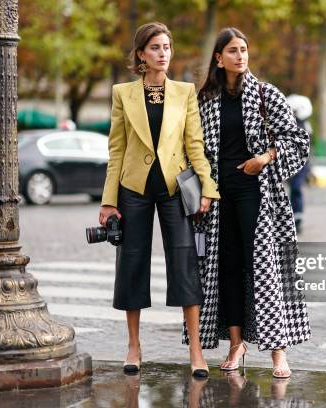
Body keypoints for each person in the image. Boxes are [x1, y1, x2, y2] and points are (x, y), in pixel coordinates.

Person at [98, 22, 220, 378]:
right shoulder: (123, 93)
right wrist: (108, 201)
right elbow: (116, 149)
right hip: (132, 188)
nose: (163, 53)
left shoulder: (185, 92)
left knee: (184, 263)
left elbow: (194, 145)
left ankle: (196, 351)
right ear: (141, 54)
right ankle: (134, 346)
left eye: (167, 47)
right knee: (131, 263)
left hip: (173, 188)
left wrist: (208, 188)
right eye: (155, 47)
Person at [189, 27, 311, 379]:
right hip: (217, 196)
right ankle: (236, 344)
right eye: (232, 50)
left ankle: (278, 354)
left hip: (257, 194)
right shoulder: (206, 99)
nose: (240, 56)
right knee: (226, 268)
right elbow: (193, 147)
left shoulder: (265, 94)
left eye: (243, 49)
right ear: (218, 57)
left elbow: (297, 141)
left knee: (264, 268)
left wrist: (266, 157)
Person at [286, 94, 313, 234]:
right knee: (290, 190)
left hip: (301, 164)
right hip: (289, 163)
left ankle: (297, 217)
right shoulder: (290, 123)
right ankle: (291, 217)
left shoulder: (305, 125)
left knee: (296, 189)